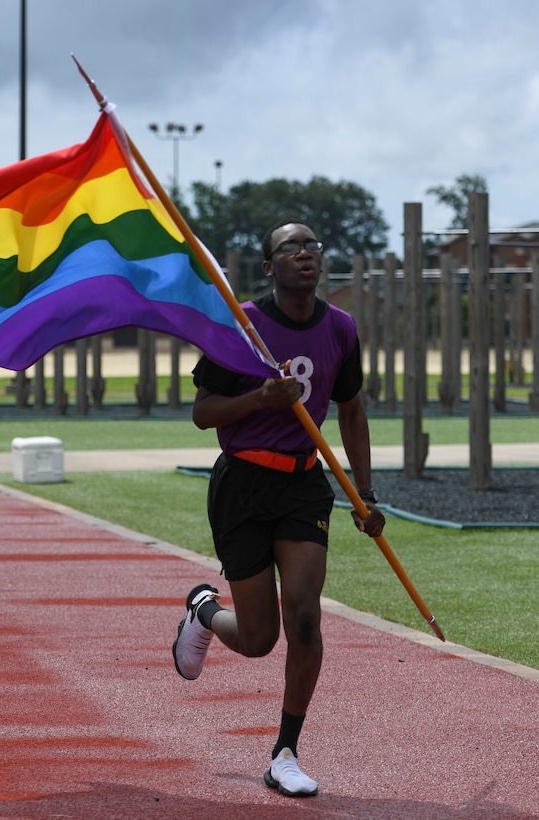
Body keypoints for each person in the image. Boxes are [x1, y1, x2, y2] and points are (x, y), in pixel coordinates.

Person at [172, 220, 386, 799]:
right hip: (242, 484)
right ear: (269, 267)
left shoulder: (341, 328)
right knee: (260, 637)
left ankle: (285, 752)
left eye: (313, 245)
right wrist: (260, 398)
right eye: (289, 248)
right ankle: (204, 611)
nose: (305, 254)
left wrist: (365, 495)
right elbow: (203, 412)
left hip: (302, 486)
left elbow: (351, 411)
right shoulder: (243, 325)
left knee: (306, 616)